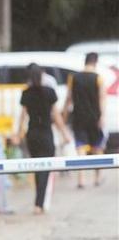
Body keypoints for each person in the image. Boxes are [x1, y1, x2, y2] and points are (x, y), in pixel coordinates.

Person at [14, 63, 71, 214]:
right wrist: (65, 133)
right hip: (46, 134)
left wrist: (18, 134)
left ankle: (38, 202)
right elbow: (56, 116)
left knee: (37, 168)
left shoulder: (26, 93)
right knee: (44, 168)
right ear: (41, 75)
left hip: (32, 135)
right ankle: (39, 203)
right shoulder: (49, 92)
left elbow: (22, 116)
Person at [62, 52, 106, 188]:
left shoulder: (73, 78)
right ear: (95, 62)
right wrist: (102, 117)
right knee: (97, 147)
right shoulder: (98, 78)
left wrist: (64, 115)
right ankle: (97, 177)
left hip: (78, 116)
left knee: (80, 148)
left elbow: (68, 98)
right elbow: (102, 99)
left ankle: (81, 179)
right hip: (94, 117)